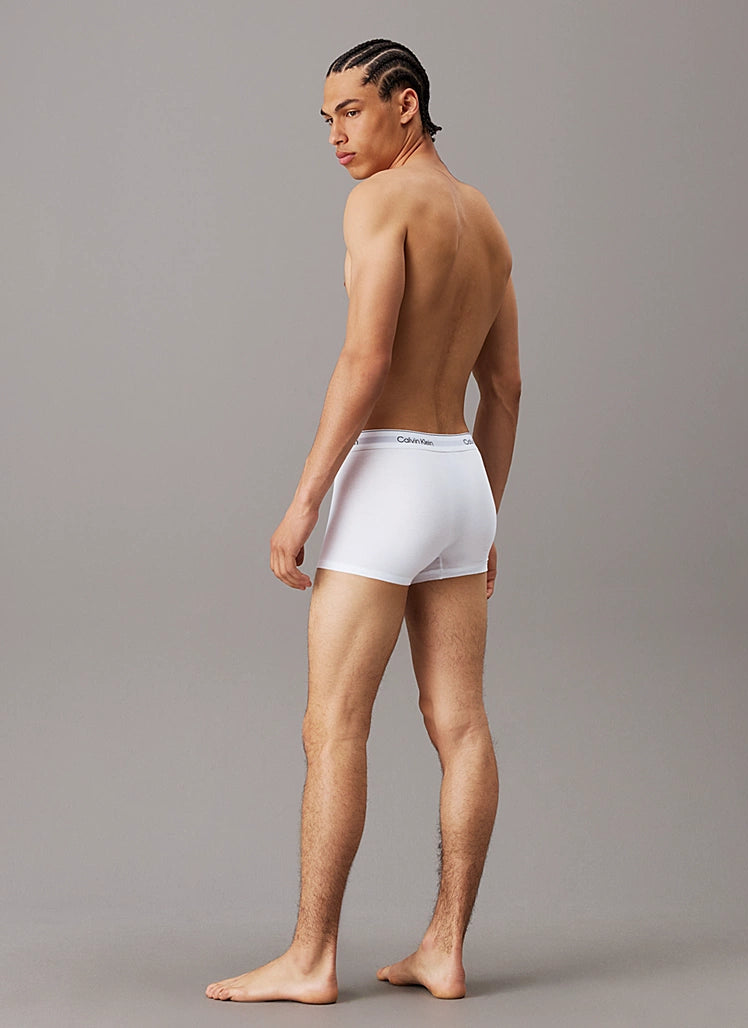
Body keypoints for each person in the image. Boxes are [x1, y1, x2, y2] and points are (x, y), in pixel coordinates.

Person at [205, 38, 521, 1005]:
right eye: (327, 119)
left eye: (352, 111)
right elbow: (506, 389)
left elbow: (365, 359)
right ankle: (443, 948)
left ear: (405, 104)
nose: (337, 136)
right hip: (458, 479)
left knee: (333, 725)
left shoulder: (380, 202)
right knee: (460, 724)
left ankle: (310, 957)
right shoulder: (484, 217)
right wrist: (484, 517)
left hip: (388, 475)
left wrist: (304, 500)